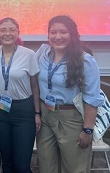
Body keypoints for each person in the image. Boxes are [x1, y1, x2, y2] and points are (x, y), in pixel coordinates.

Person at [36, 15, 104, 173]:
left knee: (75, 168)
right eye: (53, 32)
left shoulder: (85, 60)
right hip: (46, 115)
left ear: (72, 34)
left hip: (71, 118)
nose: (57, 36)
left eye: (63, 32)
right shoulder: (43, 54)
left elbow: (92, 99)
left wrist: (87, 130)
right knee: (46, 165)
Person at [0, 17, 41, 173]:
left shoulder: (29, 54)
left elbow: (35, 85)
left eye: (12, 29)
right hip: (0, 108)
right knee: (6, 160)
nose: (7, 33)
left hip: (23, 110)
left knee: (22, 164)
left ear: (18, 32)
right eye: (3, 30)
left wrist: (37, 113)